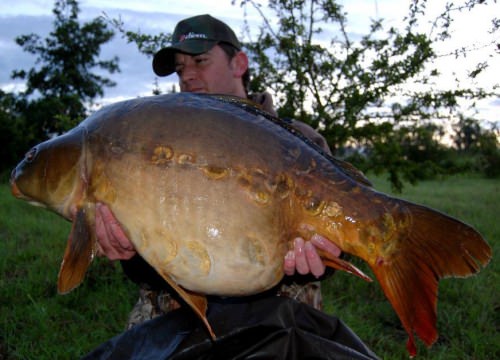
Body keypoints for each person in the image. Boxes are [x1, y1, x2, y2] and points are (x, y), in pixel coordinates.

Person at [94, 14, 342, 329]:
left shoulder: (301, 141)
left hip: (279, 309)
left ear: (239, 64)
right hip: (176, 308)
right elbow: (147, 261)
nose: (189, 77)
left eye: (200, 61)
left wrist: (318, 261)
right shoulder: (156, 148)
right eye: (181, 69)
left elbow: (342, 247)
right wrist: (128, 253)